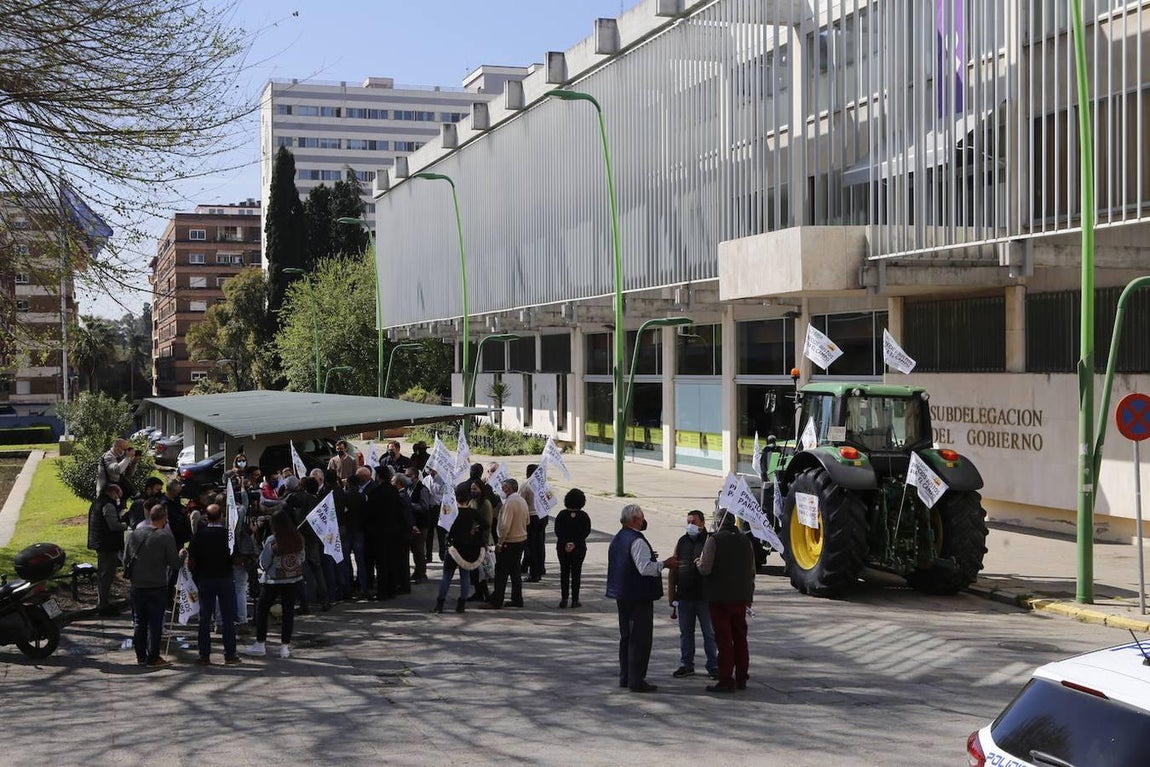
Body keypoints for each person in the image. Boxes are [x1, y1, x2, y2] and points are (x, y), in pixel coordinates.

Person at [605, 504, 677, 693]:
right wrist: (664, 564)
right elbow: (644, 568)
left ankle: (626, 676)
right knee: (640, 638)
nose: (644, 521)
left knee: (626, 637)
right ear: (635, 520)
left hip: (622, 593)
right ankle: (636, 679)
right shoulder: (636, 540)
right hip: (638, 595)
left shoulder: (619, 538)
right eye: (642, 517)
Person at [696, 509, 756, 693]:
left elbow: (706, 569)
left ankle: (725, 679)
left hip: (720, 598)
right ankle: (742, 678)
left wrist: (698, 563)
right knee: (740, 639)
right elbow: (752, 571)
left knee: (724, 640)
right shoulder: (746, 541)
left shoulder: (714, 540)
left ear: (718, 522)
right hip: (740, 598)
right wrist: (749, 598)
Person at [125, 504, 182, 668]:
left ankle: (140, 655)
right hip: (157, 585)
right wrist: (182, 555)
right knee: (155, 623)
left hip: (137, 585)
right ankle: (153, 657)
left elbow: (125, 559)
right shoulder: (165, 536)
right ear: (164, 518)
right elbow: (175, 563)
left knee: (139, 622)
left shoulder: (134, 534)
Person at [244, 511, 306, 659]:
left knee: (262, 610)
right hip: (293, 580)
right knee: (288, 612)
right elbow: (302, 558)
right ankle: (285, 646)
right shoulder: (298, 538)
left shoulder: (273, 540)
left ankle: (260, 643)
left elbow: (264, 562)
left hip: (273, 581)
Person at [187, 504, 241, 665]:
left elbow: (191, 562)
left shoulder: (199, 536)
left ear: (206, 517)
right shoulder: (228, 535)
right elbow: (237, 559)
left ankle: (204, 655)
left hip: (205, 579)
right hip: (224, 578)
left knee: (204, 618)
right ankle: (230, 654)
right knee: (227, 618)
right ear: (222, 516)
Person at [668, 510, 718, 680]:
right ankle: (686, 664)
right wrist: (671, 596)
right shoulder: (682, 541)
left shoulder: (710, 541)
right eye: (688, 521)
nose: (690, 525)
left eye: (694, 522)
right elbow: (674, 567)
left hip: (704, 597)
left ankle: (713, 665)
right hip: (684, 596)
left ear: (703, 523)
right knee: (686, 633)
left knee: (709, 633)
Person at [433, 487, 484, 613]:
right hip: (467, 548)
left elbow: (442, 527)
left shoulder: (452, 512)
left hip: (453, 548)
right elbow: (485, 524)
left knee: (446, 577)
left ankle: (440, 604)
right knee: (465, 577)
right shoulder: (472, 513)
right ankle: (461, 605)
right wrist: (474, 530)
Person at [483, 478, 528, 609]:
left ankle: (497, 600)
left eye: (503, 487)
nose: (501, 490)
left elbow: (504, 526)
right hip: (521, 539)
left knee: (501, 572)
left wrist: (500, 543)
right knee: (515, 572)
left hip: (510, 541)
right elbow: (527, 520)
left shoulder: (510, 503)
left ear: (508, 488)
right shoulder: (521, 500)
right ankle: (517, 599)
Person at [87, 483, 127, 615]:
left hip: (101, 542)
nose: (118, 498)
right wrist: (126, 525)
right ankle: (103, 604)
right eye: (117, 495)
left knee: (104, 573)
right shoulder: (108, 505)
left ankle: (103, 601)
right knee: (107, 574)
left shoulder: (97, 502)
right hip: (107, 544)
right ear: (113, 492)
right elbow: (113, 525)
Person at [553, 488, 591, 609]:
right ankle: (575, 599)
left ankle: (564, 598)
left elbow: (557, 530)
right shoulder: (584, 516)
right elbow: (586, 531)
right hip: (579, 547)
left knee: (564, 572)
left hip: (562, 547)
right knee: (576, 572)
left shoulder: (561, 515)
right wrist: (574, 543)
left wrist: (566, 543)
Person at [520, 464, 549, 582]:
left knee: (530, 546)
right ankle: (540, 568)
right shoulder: (544, 484)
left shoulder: (526, 485)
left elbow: (521, 502)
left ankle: (534, 573)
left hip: (531, 517)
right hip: (543, 516)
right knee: (540, 544)